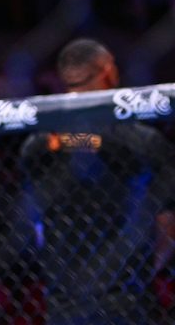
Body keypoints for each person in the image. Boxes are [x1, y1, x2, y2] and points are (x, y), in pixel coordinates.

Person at [20, 38, 175, 323]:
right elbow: (168, 223)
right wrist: (141, 271)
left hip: (65, 296)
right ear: (106, 71)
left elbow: (35, 222)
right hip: (126, 296)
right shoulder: (143, 142)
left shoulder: (37, 145)